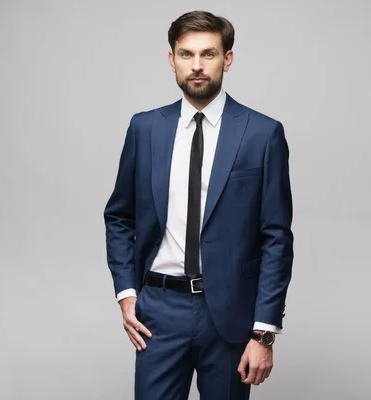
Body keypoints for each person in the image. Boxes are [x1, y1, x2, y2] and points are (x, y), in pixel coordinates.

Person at [103, 10, 294, 400]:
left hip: (229, 315)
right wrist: (126, 294)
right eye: (187, 54)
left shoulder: (263, 134)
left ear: (228, 59)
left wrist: (264, 332)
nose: (197, 66)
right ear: (172, 59)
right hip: (159, 310)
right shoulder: (145, 129)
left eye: (208, 54)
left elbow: (276, 238)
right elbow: (119, 216)